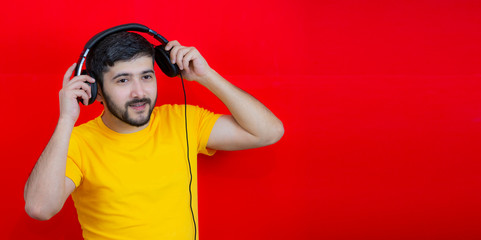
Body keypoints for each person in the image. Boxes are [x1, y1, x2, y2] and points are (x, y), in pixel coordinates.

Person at [24, 31, 284, 239]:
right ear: (96, 91)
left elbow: (268, 132)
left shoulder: (183, 120)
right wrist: (66, 119)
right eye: (123, 80)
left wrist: (207, 76)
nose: (139, 92)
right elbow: (39, 208)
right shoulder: (78, 142)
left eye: (146, 76)